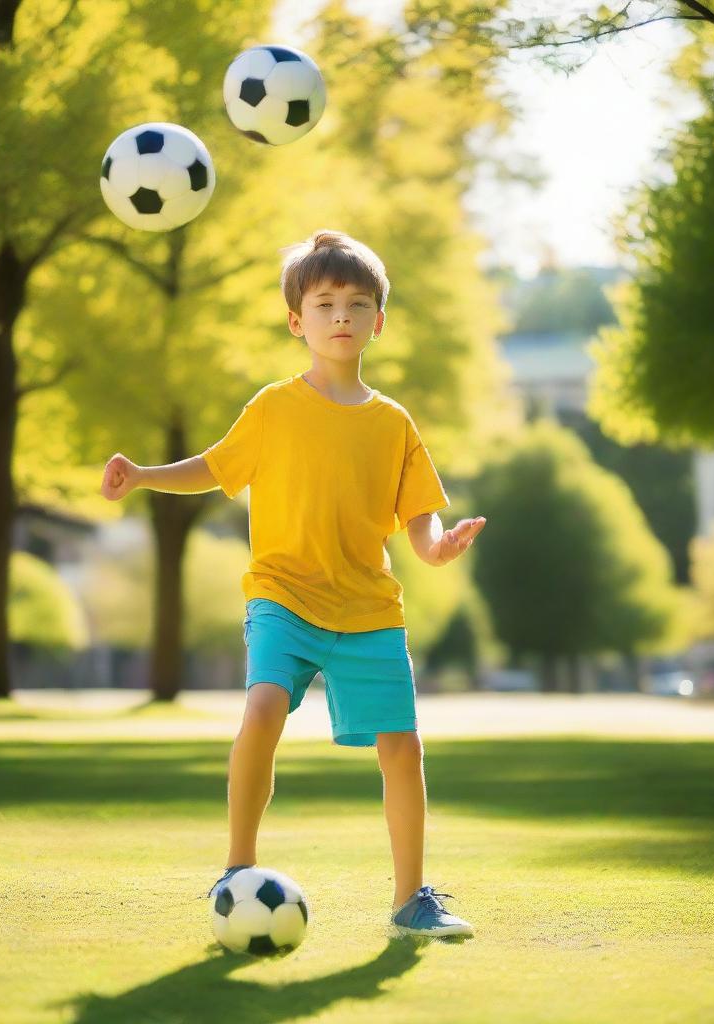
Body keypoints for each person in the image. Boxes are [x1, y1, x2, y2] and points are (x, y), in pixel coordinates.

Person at [100, 229, 487, 939]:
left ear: (379, 320)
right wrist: (146, 475)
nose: (342, 315)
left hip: (368, 607)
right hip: (282, 594)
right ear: (296, 320)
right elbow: (215, 467)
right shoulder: (274, 406)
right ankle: (236, 869)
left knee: (401, 747)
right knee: (264, 707)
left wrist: (441, 549)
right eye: (325, 302)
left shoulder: (394, 423)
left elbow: (421, 528)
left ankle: (412, 902)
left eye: (358, 303)